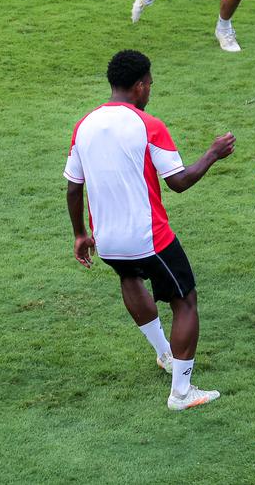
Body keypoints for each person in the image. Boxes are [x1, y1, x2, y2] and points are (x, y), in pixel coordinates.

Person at [64, 50, 235, 410]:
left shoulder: (84, 125)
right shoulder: (148, 124)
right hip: (149, 238)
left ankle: (165, 355)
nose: (150, 92)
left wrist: (81, 234)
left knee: (130, 279)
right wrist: (213, 154)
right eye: (151, 85)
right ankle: (182, 393)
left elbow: (73, 187)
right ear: (140, 86)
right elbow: (179, 181)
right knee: (185, 300)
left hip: (108, 240)